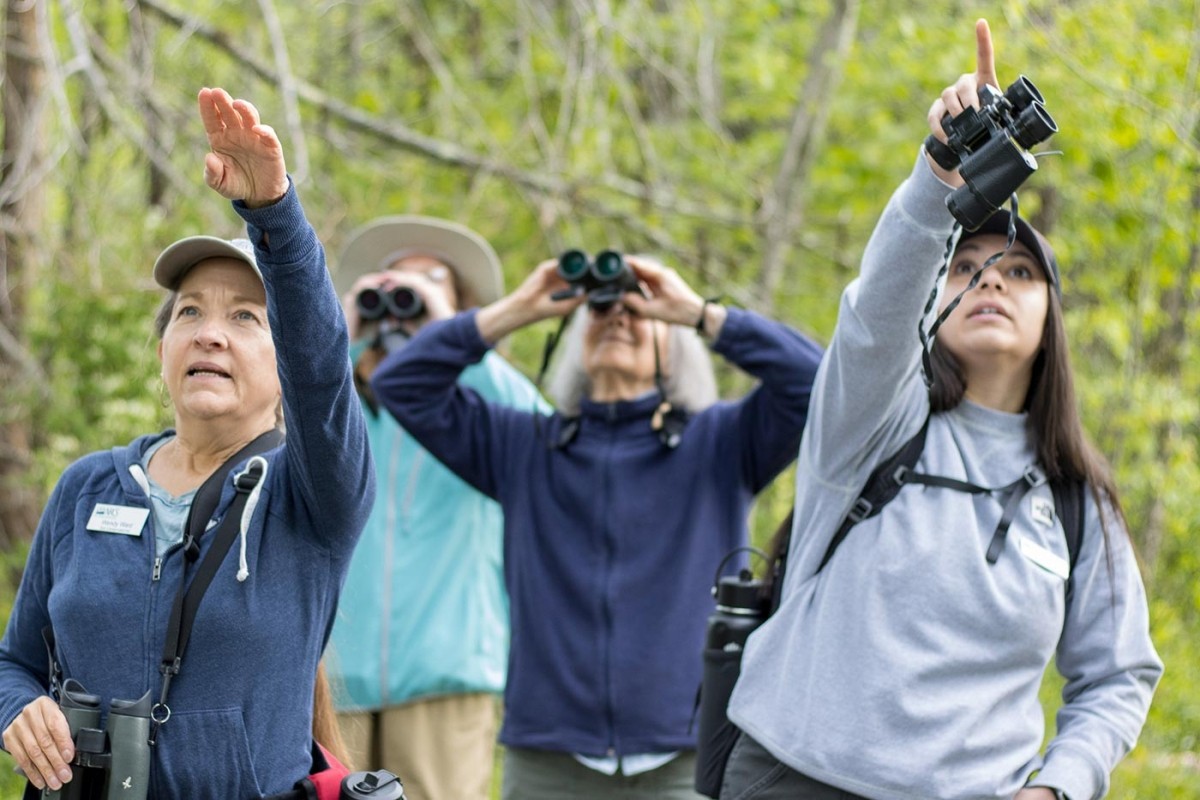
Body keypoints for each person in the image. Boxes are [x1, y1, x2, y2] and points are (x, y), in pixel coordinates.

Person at [723, 20, 1162, 800]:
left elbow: (1119, 674)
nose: (991, 278)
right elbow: (877, 319)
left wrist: (1057, 786)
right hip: (790, 778)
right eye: (968, 264)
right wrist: (939, 176)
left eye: (1020, 270)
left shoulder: (1075, 499)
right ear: (942, 293)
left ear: (1050, 318)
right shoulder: (875, 423)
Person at [0, 87, 374, 798]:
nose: (210, 331)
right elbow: (13, 660)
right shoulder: (87, 488)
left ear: (284, 364)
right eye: (191, 312)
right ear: (164, 347)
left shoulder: (313, 494)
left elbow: (325, 369)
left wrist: (275, 215)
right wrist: (18, 710)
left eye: (244, 318)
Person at [369, 251, 824, 799]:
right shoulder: (523, 448)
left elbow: (814, 382)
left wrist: (699, 314)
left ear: (675, 344)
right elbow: (401, 382)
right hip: (549, 757)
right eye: (601, 311)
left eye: (638, 313)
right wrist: (517, 309)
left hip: (686, 752)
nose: (617, 318)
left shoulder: (721, 444)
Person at [326, 215, 547, 800]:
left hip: (444, 682)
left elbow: (544, 435)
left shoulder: (483, 409)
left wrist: (451, 332)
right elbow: (274, 413)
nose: (402, 304)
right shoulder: (332, 412)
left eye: (427, 285)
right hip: (331, 683)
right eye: (391, 289)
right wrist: (337, 333)